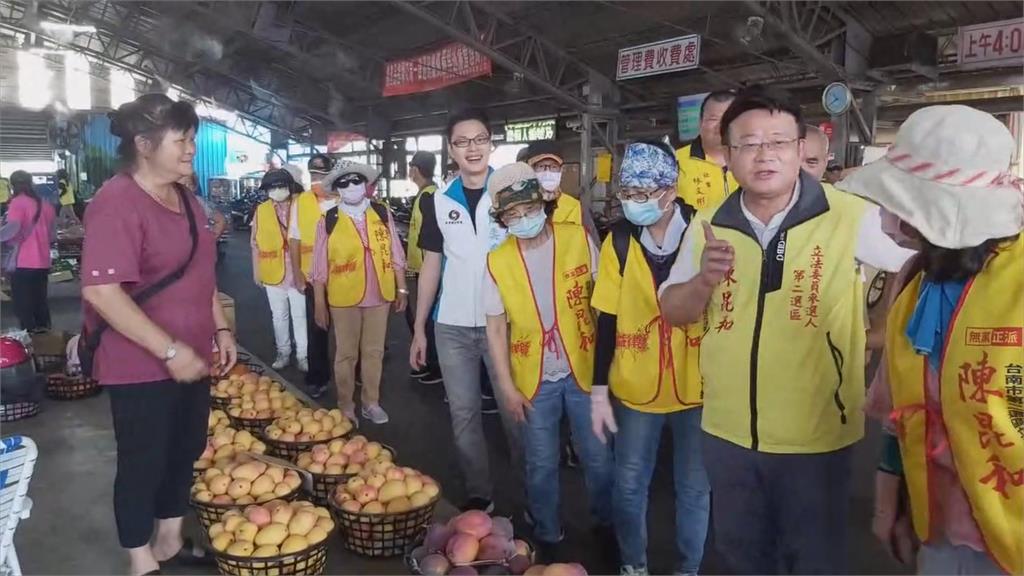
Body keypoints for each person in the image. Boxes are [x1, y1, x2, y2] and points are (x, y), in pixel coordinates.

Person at [658, 85, 914, 574]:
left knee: (814, 559)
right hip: (728, 433)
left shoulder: (848, 216)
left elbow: (925, 259)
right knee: (741, 557)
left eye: (778, 142)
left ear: (801, 149)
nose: (764, 155)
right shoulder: (710, 223)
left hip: (817, 435)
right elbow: (673, 309)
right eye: (749, 143)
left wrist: (884, 328)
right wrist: (705, 279)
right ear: (728, 155)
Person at [848, 105, 1023, 575]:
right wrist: (889, 506)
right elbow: (897, 412)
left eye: (896, 203)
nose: (885, 215)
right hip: (944, 526)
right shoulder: (913, 281)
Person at [79, 93, 237, 576]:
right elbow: (102, 292)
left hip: (191, 355)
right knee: (143, 459)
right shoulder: (117, 202)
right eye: (182, 140)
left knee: (184, 448)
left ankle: (169, 538)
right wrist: (169, 350)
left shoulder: (186, 199)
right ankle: (140, 557)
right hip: (139, 363)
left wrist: (221, 327)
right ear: (144, 145)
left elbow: (200, 273)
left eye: (192, 138)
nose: (191, 149)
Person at [483, 162, 614, 559]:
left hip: (584, 368)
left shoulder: (577, 239)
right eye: (513, 215)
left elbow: (605, 302)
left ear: (543, 205)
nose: (523, 220)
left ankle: (606, 523)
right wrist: (505, 386)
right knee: (540, 462)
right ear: (503, 220)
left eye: (528, 209)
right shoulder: (497, 261)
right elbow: (495, 328)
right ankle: (547, 530)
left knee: (598, 456)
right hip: (532, 376)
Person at [589, 142, 707, 575]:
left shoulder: (702, 231)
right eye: (628, 194)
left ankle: (688, 568)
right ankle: (633, 565)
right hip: (636, 386)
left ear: (669, 192)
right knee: (629, 485)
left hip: (696, 384)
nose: (633, 203)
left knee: (694, 489)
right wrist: (599, 390)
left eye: (643, 194)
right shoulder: (618, 240)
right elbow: (606, 320)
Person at [410, 107, 523, 512]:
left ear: (491, 144)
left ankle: (532, 493)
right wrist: (420, 328)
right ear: (450, 149)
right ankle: (481, 494)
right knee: (464, 415)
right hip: (453, 324)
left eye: (480, 140)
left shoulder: (513, 192)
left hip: (507, 323)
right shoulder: (438, 201)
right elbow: (431, 266)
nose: (472, 149)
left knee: (516, 412)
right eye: (462, 142)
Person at [312, 160, 408, 425]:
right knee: (346, 353)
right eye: (344, 182)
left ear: (365, 185)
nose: (351, 186)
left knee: (374, 351)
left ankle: (371, 402)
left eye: (356, 181)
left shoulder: (381, 212)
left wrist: (401, 288)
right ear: (337, 189)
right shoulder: (328, 220)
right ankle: (345, 405)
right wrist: (319, 302)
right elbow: (318, 265)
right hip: (343, 296)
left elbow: (395, 252)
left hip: (380, 292)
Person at [288, 153, 335, 398]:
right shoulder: (301, 202)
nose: (317, 179)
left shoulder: (342, 200)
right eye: (314, 175)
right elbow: (294, 239)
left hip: (343, 276)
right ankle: (318, 377)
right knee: (318, 327)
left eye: (322, 175)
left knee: (349, 331)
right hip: (311, 276)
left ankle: (355, 375)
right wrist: (296, 272)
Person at [251, 168, 307, 370]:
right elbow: (255, 243)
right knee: (279, 316)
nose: (276, 190)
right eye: (271, 187)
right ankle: (283, 352)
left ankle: (303, 355)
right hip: (272, 272)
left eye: (280, 186)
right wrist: (257, 270)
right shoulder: (261, 210)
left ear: (290, 186)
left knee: (300, 315)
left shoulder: (302, 205)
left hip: (299, 271)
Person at [406, 151, 443, 385]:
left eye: (410, 167)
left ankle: (434, 365)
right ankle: (426, 361)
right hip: (421, 268)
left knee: (426, 319)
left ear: (415, 169)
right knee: (422, 318)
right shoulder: (426, 194)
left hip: (428, 270)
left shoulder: (429, 196)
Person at [5, 170, 56, 331]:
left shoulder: (17, 203)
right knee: (39, 301)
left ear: (13, 186)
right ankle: (46, 339)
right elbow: (53, 236)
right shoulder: (45, 205)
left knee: (24, 305)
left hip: (23, 262)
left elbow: (12, 229)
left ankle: (30, 341)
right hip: (42, 261)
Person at [675, 91, 739, 211]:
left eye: (729, 118)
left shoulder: (753, 159)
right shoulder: (675, 162)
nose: (721, 126)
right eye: (713, 119)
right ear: (700, 123)